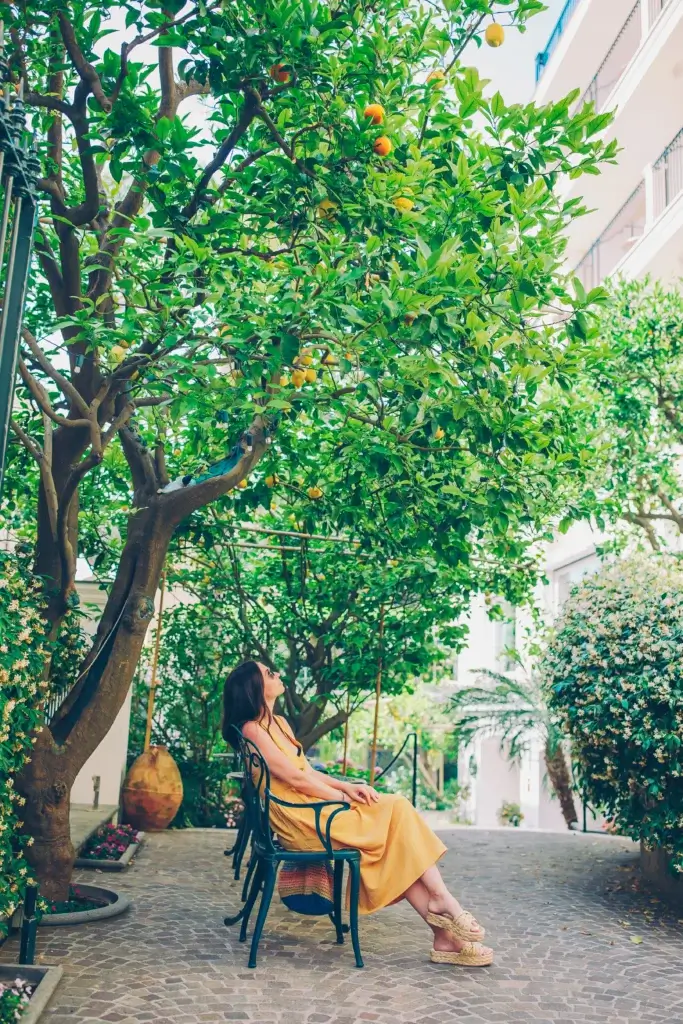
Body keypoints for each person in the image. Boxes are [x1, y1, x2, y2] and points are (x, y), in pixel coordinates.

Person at [222, 660, 494, 967]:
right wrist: (342, 798)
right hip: (301, 819)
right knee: (398, 810)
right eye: (269, 673)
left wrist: (348, 788)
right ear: (256, 688)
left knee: (396, 835)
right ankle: (445, 903)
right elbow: (295, 780)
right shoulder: (253, 730)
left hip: (314, 808)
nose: (278, 674)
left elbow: (306, 771)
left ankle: (443, 934)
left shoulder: (280, 724)